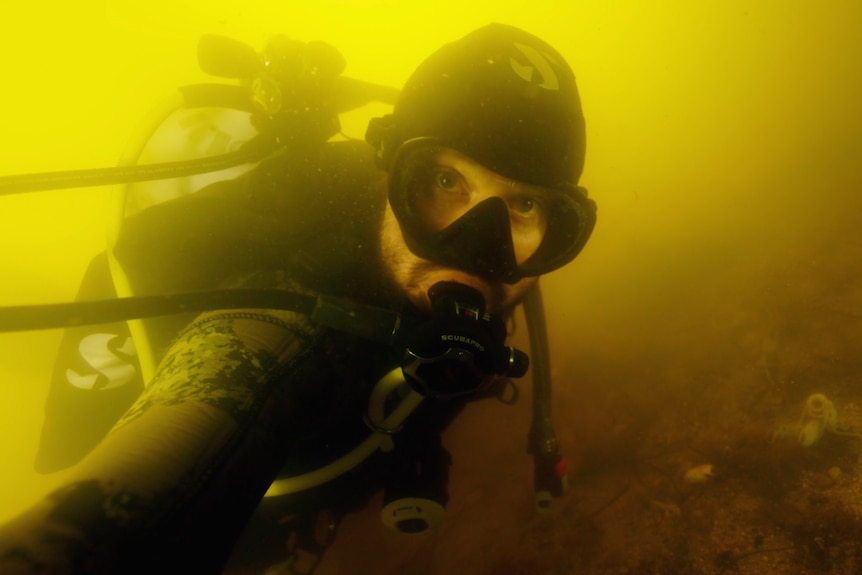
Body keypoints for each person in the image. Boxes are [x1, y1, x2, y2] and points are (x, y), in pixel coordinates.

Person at [0, 22, 596, 574]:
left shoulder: (500, 285)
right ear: (389, 171)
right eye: (445, 181)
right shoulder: (284, 293)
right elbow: (179, 439)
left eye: (525, 206)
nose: (476, 248)